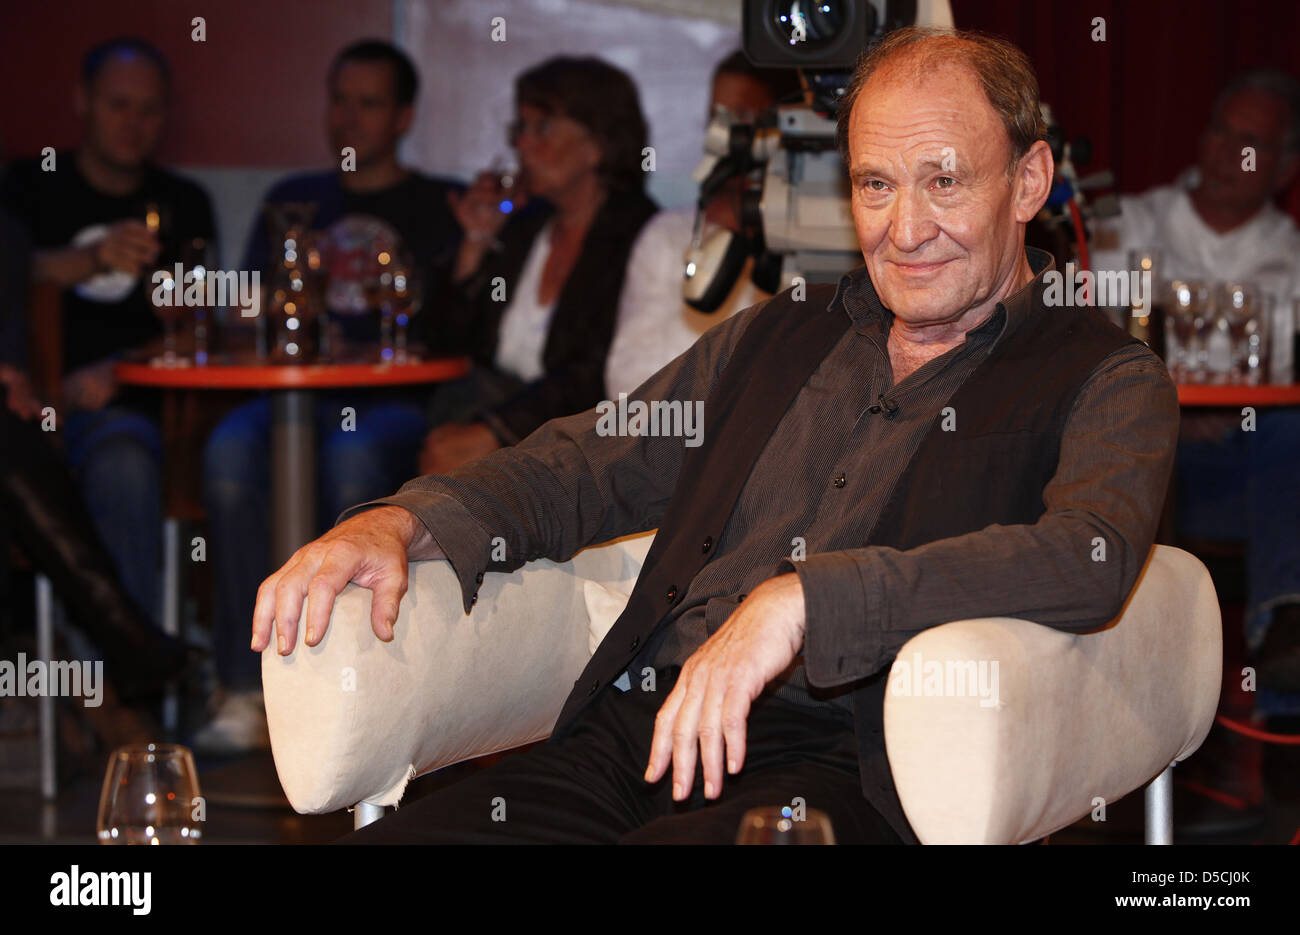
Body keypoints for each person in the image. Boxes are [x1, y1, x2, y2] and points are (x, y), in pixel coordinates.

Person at [252, 27, 1179, 844]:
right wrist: (405, 523)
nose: (906, 229)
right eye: (875, 184)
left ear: (1028, 181)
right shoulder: (781, 331)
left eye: (944, 181)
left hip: (847, 763)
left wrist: (807, 602)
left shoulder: (1105, 375)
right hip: (638, 733)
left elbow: (1085, 556)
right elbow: (590, 463)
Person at [196, 39, 463, 753]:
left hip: (391, 400)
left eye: (368, 103)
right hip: (291, 394)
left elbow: (456, 330)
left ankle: (345, 682)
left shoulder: (437, 205)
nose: (347, 117)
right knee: (228, 453)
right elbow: (245, 315)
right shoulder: (295, 198)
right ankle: (245, 682)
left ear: (404, 116)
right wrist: (280, 294)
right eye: (338, 99)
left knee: (353, 457)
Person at [1090, 69, 1300, 715]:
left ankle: (1284, 654)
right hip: (1145, 464)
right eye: (1219, 131)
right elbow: (1085, 353)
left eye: (1250, 142)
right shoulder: (1125, 226)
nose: (1225, 152)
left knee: (1289, 436)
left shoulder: (1292, 259)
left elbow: (1282, 382)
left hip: (1248, 471)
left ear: (1285, 166)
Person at [0, 38, 215, 626]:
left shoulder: (183, 202)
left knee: (160, 456)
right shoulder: (30, 185)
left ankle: (145, 671)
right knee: (118, 457)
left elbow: (201, 323)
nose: (134, 124)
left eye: (150, 110)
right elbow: (14, 271)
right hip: (38, 413)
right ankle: (122, 675)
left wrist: (122, 366)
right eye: (118, 105)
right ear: (82, 102)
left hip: (160, 412)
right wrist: (91, 258)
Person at [418, 56, 658, 473]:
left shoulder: (640, 235)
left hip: (583, 443)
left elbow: (598, 371)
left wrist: (498, 432)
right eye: (520, 128)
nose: (522, 145)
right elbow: (442, 343)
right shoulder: (524, 230)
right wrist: (475, 242)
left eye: (542, 128)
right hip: (474, 413)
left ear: (596, 145)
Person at [604, 51, 800, 398]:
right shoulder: (668, 234)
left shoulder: (814, 250)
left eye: (742, 119)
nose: (721, 136)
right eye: (715, 118)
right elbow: (625, 383)